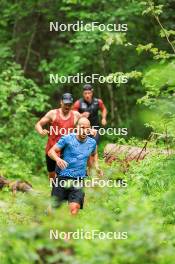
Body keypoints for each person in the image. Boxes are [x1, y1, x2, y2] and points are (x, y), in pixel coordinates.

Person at [48, 117, 101, 215]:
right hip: (62, 178)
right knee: (53, 208)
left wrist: (95, 167)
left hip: (79, 180)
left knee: (75, 207)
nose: (85, 130)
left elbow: (93, 155)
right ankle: (46, 223)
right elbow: (51, 151)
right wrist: (58, 159)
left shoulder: (92, 143)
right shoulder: (67, 138)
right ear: (77, 127)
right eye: (82, 127)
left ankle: (69, 229)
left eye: (87, 128)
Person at [35, 93, 80, 179]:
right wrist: (41, 131)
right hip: (51, 149)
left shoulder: (76, 115)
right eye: (65, 104)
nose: (67, 106)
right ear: (61, 102)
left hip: (66, 151)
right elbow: (38, 124)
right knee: (52, 175)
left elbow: (84, 125)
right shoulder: (53, 113)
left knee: (64, 175)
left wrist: (90, 130)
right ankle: (53, 190)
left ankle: (62, 190)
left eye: (69, 104)